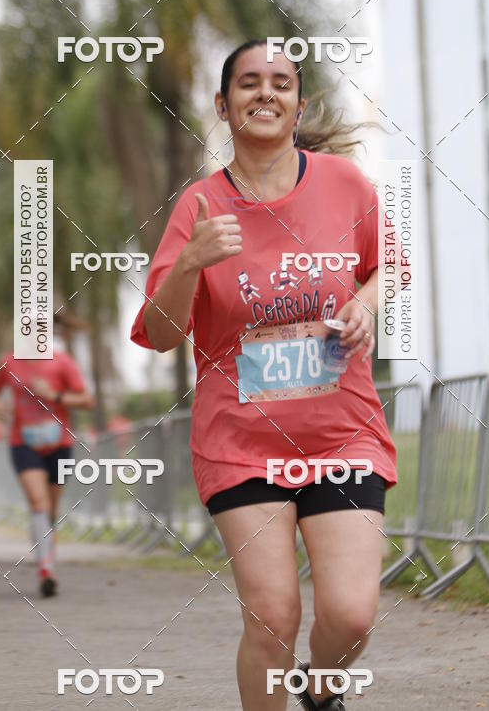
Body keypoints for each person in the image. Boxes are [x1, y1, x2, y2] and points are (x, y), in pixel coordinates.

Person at [130, 40, 398, 710]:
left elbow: (386, 265)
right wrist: (190, 261)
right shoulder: (198, 207)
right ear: (223, 106)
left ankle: (320, 689)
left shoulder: (345, 185)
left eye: (281, 82)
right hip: (241, 445)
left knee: (352, 614)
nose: (266, 93)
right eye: (249, 83)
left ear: (298, 103)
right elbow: (161, 335)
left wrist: (364, 305)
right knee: (273, 619)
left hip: (343, 435)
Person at [0, 319, 93, 598]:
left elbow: (87, 401)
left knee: (50, 512)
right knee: (38, 501)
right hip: (23, 443)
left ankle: (44, 549)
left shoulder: (62, 363)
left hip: (59, 445)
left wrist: (54, 395)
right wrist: (0, 409)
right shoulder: (9, 362)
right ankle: (46, 570)